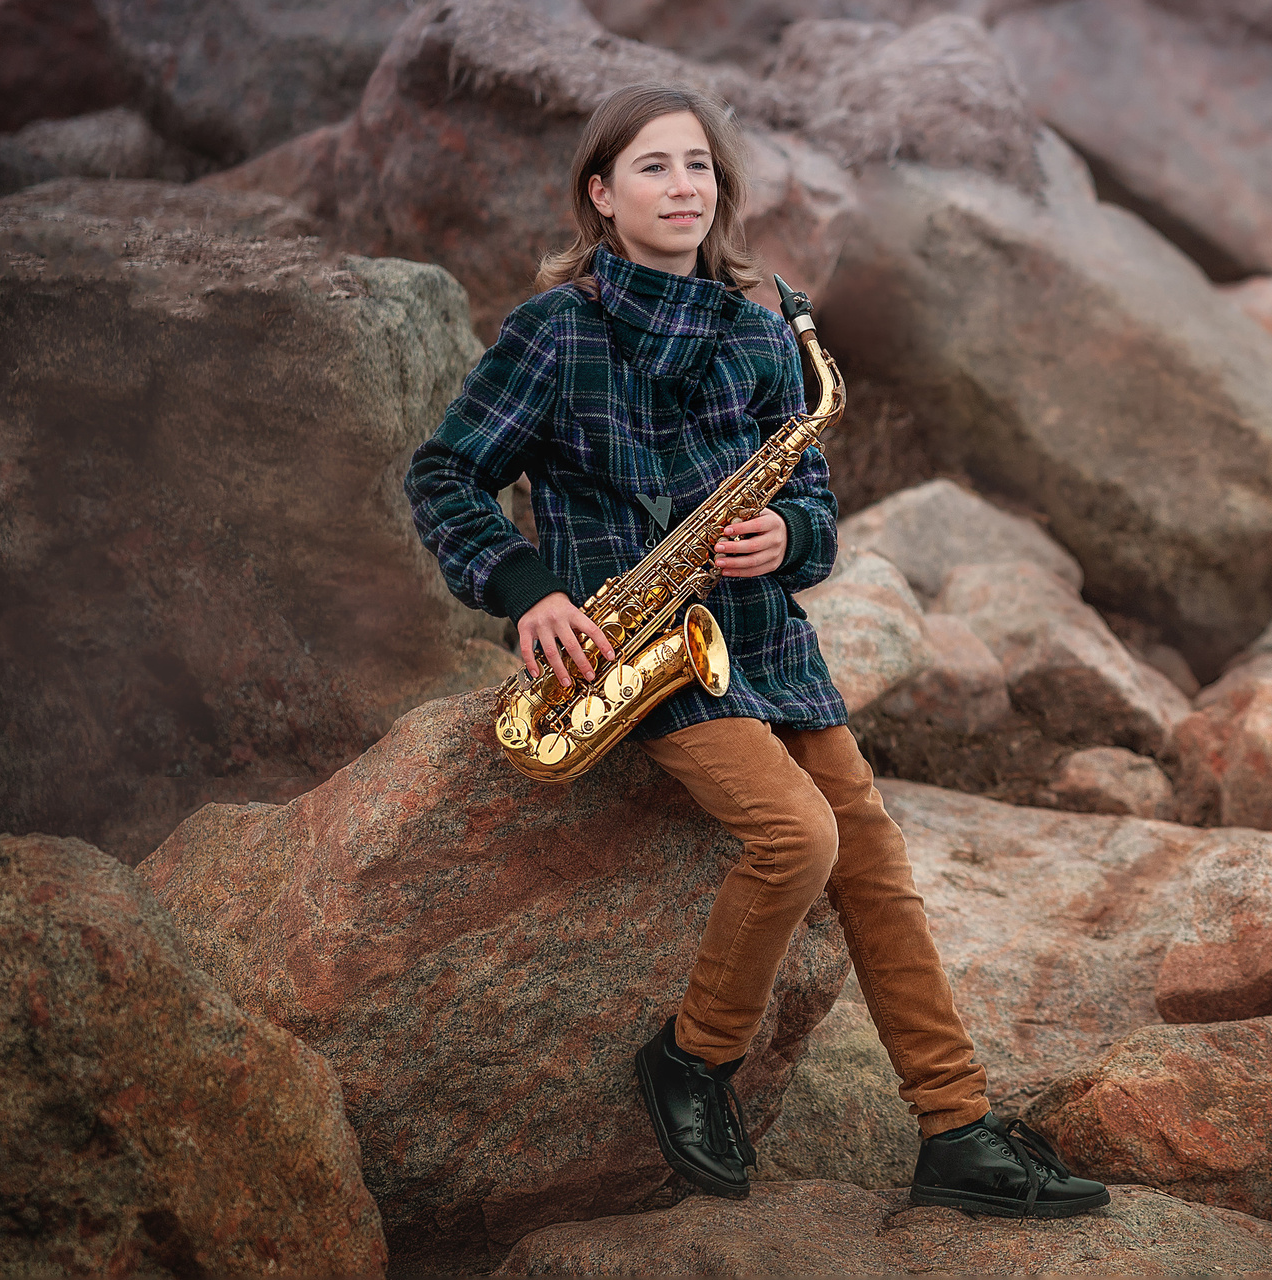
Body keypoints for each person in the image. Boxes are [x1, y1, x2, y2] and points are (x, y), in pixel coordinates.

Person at [403, 84, 1108, 1219]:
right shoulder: (555, 330)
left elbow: (813, 502)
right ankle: (693, 1055)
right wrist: (527, 589)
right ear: (600, 193)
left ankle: (958, 1126)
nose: (683, 188)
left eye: (698, 168)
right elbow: (443, 474)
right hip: (636, 649)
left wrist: (791, 534)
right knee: (798, 834)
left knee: (874, 862)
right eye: (652, 169)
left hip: (767, 638)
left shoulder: (763, 323)